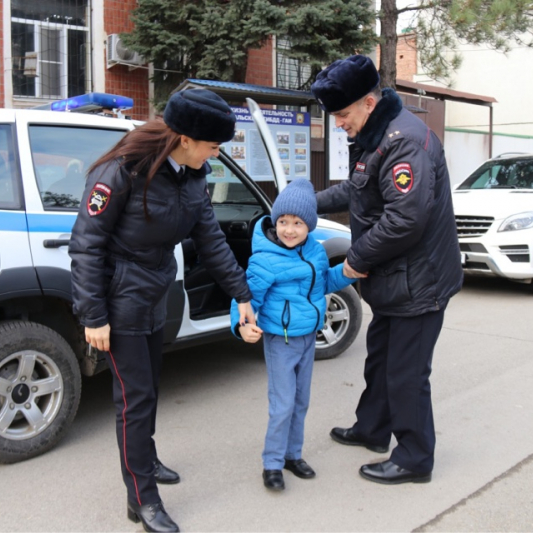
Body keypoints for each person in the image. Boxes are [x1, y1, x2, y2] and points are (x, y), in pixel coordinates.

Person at [68, 89, 256, 532]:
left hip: (155, 293)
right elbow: (87, 246)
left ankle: (145, 461)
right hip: (119, 301)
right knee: (134, 401)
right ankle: (142, 498)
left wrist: (241, 295)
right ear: (186, 140)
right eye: (213, 145)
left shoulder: (192, 175)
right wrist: (93, 315)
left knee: (149, 387)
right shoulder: (120, 172)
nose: (216, 153)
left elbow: (211, 240)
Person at [310, 55, 463, 484]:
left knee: (407, 374)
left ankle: (415, 457)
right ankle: (373, 429)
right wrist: (309, 199)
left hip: (420, 282)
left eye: (342, 114)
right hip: (396, 281)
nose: (338, 124)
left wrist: (356, 260)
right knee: (380, 360)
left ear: (369, 103)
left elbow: (404, 220)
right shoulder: (376, 138)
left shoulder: (405, 142)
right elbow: (357, 189)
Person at [229, 179, 357, 491]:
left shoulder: (314, 251)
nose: (289, 229)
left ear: (309, 226)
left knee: (301, 401)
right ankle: (272, 463)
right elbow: (245, 298)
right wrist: (242, 325)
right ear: (275, 221)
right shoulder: (264, 258)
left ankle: (292, 455)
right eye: (283, 221)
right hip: (280, 340)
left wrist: (346, 273)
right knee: (283, 403)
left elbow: (323, 282)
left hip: (307, 337)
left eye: (298, 223)